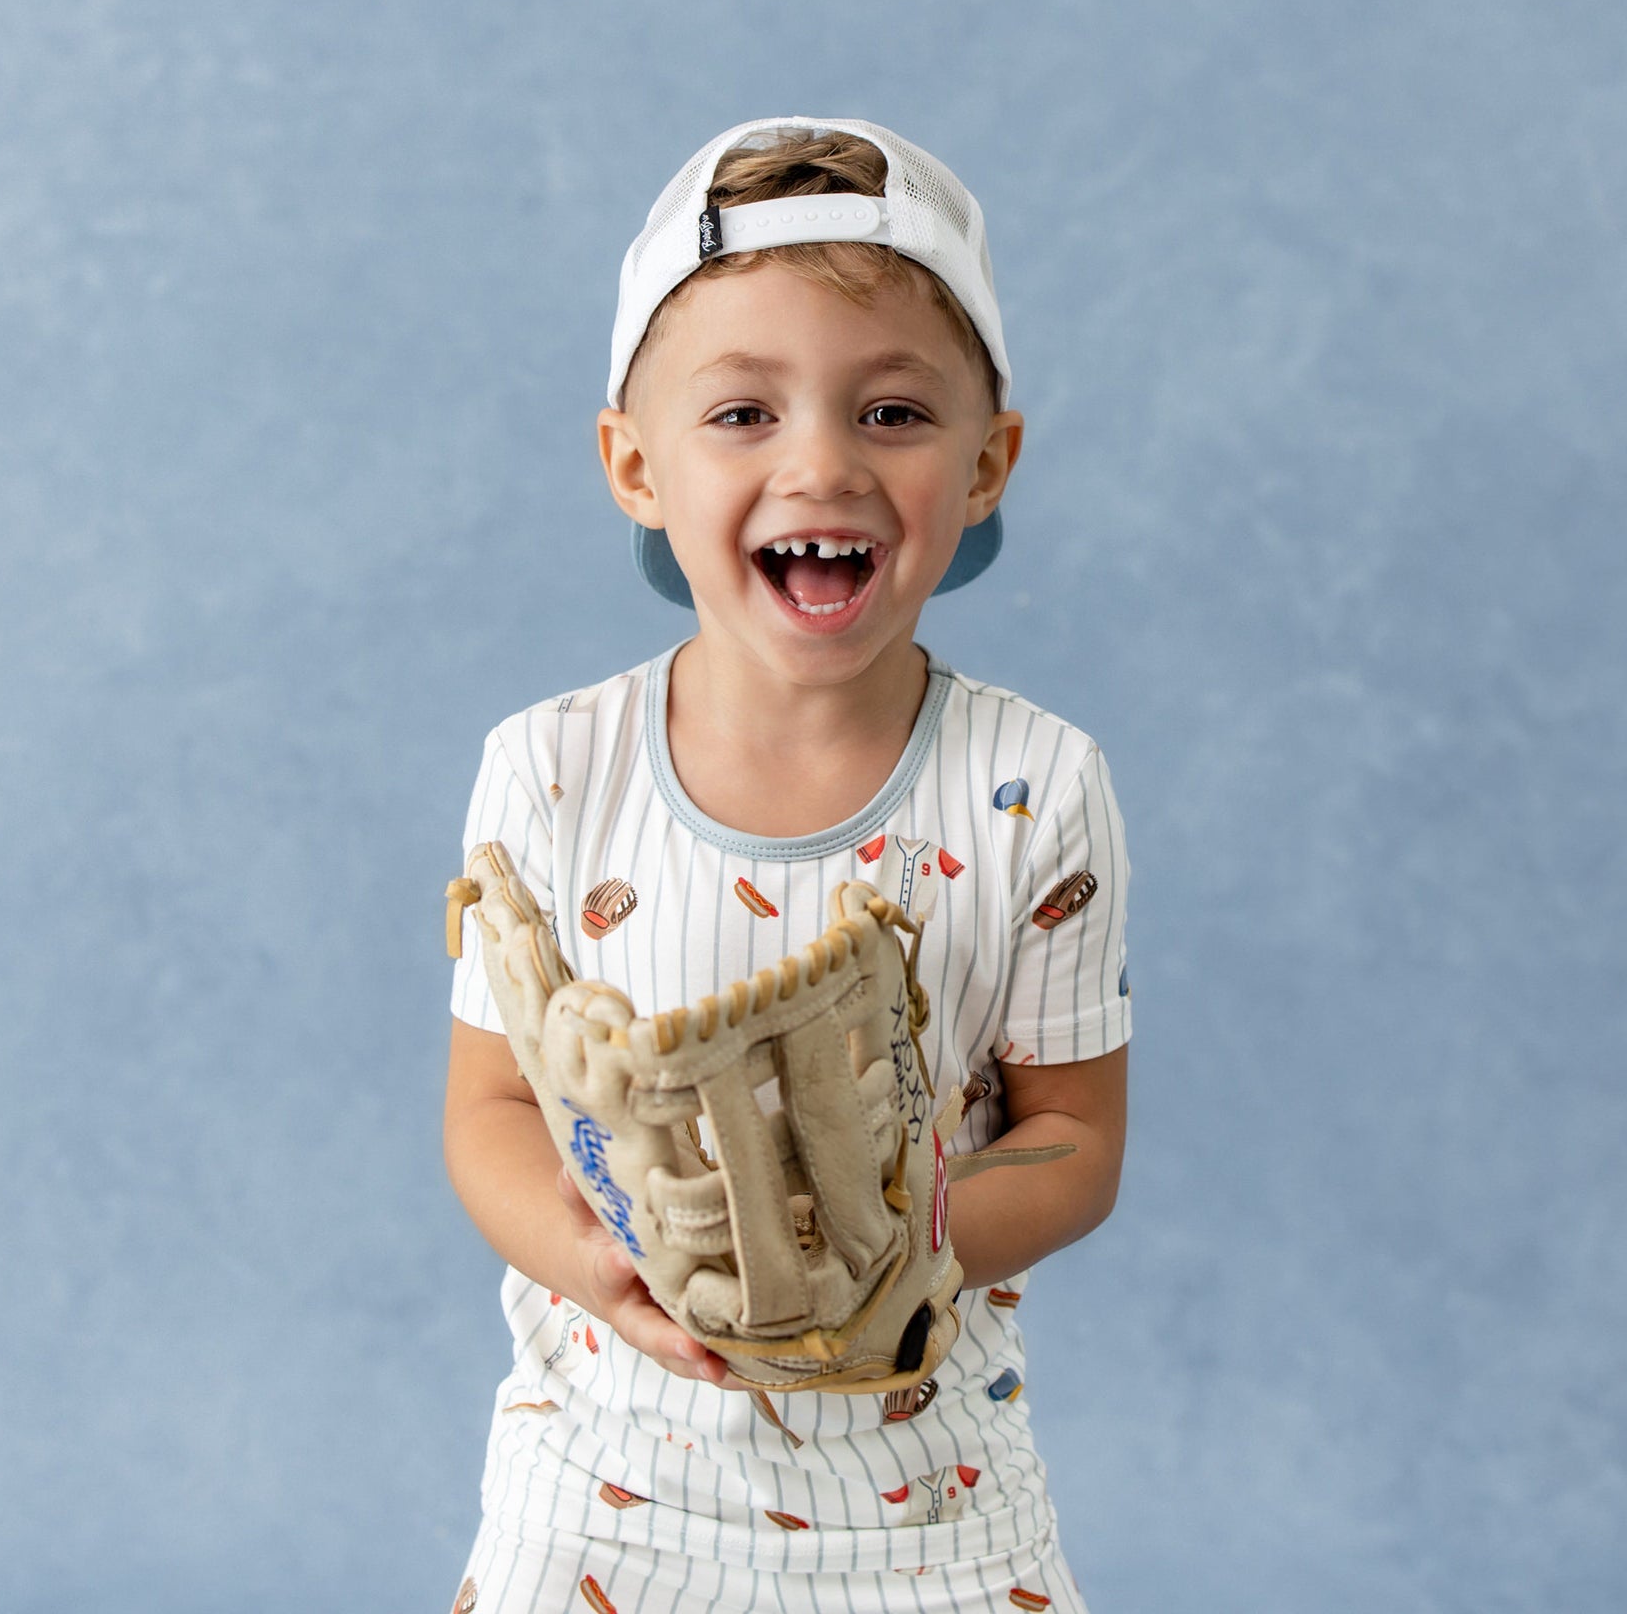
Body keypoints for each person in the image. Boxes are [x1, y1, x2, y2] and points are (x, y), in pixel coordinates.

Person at [442, 116, 1132, 1613]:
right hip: (607, 1485)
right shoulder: (554, 772)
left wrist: (896, 1234)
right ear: (635, 464)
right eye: (743, 414)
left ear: (990, 459)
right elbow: (490, 1108)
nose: (821, 463)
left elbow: (1076, 1142)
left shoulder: (1035, 787)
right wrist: (602, 1261)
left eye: (892, 413)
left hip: (930, 1498)